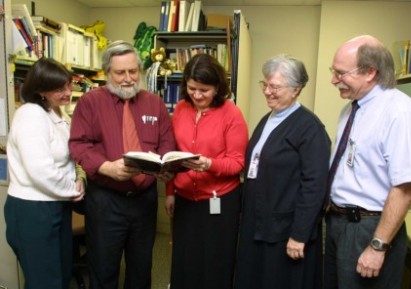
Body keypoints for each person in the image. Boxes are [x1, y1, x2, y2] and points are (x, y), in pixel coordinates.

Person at [69, 40, 176, 289]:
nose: (128, 78)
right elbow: (78, 145)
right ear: (108, 73)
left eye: (133, 71)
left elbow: (166, 141)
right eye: (120, 73)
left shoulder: (154, 103)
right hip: (106, 201)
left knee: (141, 269)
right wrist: (106, 167)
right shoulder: (90, 103)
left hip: (144, 201)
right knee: (104, 269)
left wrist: (165, 164)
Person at [324, 35, 411, 289]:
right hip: (338, 222)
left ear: (370, 72)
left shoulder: (401, 113)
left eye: (340, 73)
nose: (333, 80)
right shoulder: (351, 109)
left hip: (369, 229)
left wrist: (378, 245)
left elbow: (405, 187)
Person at [234, 54, 330, 289]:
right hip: (259, 223)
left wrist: (299, 235)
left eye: (274, 86)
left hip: (285, 232)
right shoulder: (269, 118)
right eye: (264, 84)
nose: (267, 91)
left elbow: (315, 187)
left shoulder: (310, 128)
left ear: (296, 89)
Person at [164, 53, 249, 289]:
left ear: (218, 88)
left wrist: (209, 164)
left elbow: (237, 163)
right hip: (184, 200)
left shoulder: (231, 113)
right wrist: (170, 191)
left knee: (215, 263)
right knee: (184, 260)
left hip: (219, 200)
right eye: (192, 88)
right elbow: (173, 155)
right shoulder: (181, 108)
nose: (197, 95)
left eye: (204, 90)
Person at [4, 57, 86, 289]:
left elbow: (68, 155)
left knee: (60, 274)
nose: (68, 92)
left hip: (56, 204)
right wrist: (72, 189)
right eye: (59, 89)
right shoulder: (31, 115)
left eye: (69, 85)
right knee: (44, 282)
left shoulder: (56, 112)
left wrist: (78, 178)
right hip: (33, 209)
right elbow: (40, 169)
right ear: (40, 90)